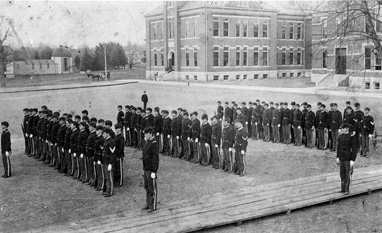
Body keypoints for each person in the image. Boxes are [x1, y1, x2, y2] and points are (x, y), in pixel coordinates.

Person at [141, 126, 159, 212]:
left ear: (151, 134)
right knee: (147, 186)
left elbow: (155, 158)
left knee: (152, 188)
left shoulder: (154, 143)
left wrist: (154, 171)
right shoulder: (147, 142)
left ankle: (153, 205)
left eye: (146, 133)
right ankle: (148, 203)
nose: (145, 135)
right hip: (146, 168)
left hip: (151, 169)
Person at [336, 123, 357, 195]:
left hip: (348, 158)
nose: (342, 130)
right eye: (341, 128)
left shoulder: (351, 137)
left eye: (343, 128)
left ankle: (347, 189)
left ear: (347, 129)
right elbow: (338, 148)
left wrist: (353, 160)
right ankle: (342, 188)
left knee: (348, 174)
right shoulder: (340, 136)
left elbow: (354, 149)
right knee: (342, 173)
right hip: (341, 158)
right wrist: (337, 157)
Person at [102, 128, 116, 197]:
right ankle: (107, 190)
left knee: (109, 177)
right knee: (106, 177)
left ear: (108, 133)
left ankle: (110, 191)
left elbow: (113, 154)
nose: (103, 135)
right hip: (105, 161)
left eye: (104, 133)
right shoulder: (106, 140)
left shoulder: (111, 142)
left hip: (108, 162)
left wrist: (110, 163)